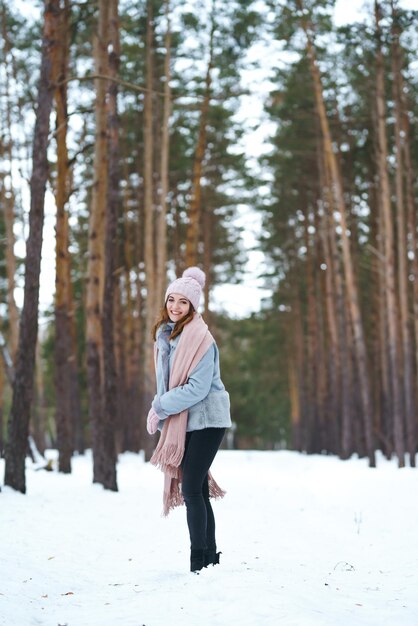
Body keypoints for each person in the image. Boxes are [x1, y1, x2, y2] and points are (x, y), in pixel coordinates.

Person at [147, 266, 231, 573]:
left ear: (193, 306)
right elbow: (168, 384)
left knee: (192, 488)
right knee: (196, 489)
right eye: (172, 299)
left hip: (209, 418)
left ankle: (200, 563)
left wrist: (160, 406)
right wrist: (159, 408)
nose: (175, 306)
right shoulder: (167, 338)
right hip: (188, 420)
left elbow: (197, 388)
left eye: (183, 302)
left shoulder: (200, 338)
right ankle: (209, 560)